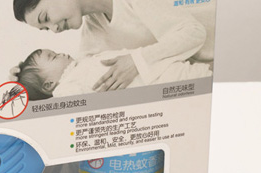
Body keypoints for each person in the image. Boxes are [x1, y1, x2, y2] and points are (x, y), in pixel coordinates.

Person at [12, 0, 213, 91]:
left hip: (217, 66)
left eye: (45, 17)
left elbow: (192, 33)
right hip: (196, 84)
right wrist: (26, 86)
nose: (54, 29)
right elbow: (75, 76)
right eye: (46, 29)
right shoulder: (94, 26)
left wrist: (136, 61)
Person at [17, 48, 212, 100]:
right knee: (194, 75)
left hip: (153, 68)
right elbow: (72, 107)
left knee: (195, 71)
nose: (60, 54)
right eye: (53, 57)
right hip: (153, 81)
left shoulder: (79, 63)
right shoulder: (65, 90)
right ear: (49, 85)